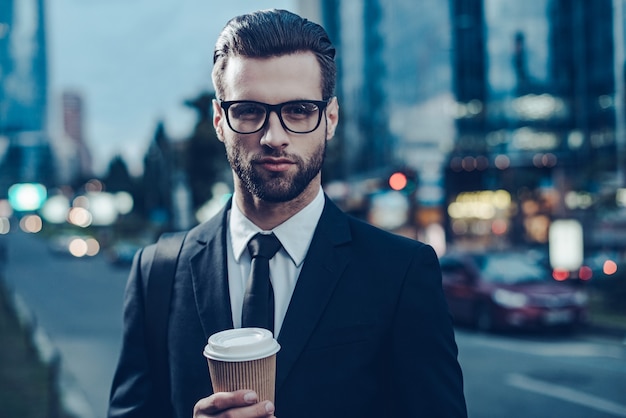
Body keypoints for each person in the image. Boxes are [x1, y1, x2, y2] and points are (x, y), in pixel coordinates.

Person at [108, 8, 467, 418]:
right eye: (248, 111)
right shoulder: (157, 272)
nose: (273, 137)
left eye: (298, 110)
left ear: (329, 119)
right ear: (219, 121)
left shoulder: (401, 272)